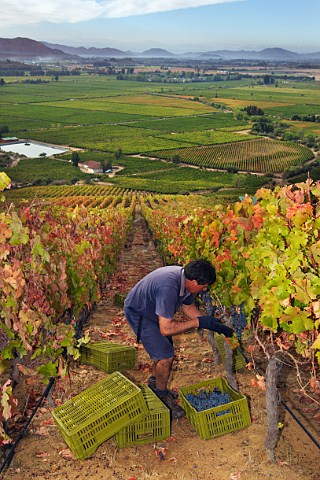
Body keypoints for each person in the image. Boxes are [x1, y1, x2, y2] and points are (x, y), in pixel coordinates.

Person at [124, 259, 234, 418]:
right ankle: (162, 395)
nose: (205, 289)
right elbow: (166, 328)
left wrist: (209, 322)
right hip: (139, 313)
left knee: (164, 350)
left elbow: (188, 307)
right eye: (204, 286)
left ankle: (155, 383)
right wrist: (197, 322)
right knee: (165, 356)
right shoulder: (168, 287)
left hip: (153, 311)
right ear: (194, 281)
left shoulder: (186, 281)